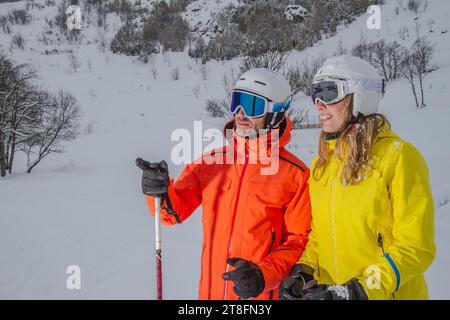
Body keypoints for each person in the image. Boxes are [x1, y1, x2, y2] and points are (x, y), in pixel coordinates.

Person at [137, 68, 312, 300]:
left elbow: (299, 242)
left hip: (260, 297)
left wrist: (264, 274)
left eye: (252, 105)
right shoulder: (212, 162)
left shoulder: (296, 175)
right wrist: (158, 190)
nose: (240, 113)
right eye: (237, 101)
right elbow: (172, 213)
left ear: (275, 113)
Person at [279, 55, 436, 300]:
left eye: (329, 93)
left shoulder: (398, 156)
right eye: (315, 94)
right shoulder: (323, 163)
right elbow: (321, 233)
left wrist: (363, 289)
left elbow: (415, 247)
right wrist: (305, 269)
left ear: (359, 96)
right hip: (333, 293)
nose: (319, 104)